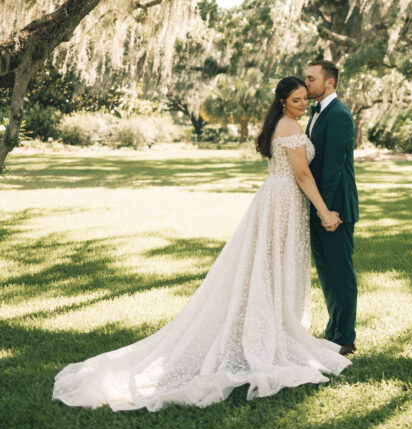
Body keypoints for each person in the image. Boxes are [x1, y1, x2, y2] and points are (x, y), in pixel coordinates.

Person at [52, 76, 351, 411]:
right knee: (269, 267)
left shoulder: (281, 124)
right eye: (296, 100)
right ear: (283, 101)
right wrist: (325, 211)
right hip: (283, 202)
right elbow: (303, 175)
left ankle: (271, 326)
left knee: (267, 266)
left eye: (304, 100)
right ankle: (264, 334)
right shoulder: (290, 128)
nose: (302, 104)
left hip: (277, 199)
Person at [304, 61, 359, 356]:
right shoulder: (317, 113)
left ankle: (345, 337)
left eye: (311, 78)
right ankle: (333, 332)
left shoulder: (339, 115)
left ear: (330, 82)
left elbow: (334, 168)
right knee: (327, 273)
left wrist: (324, 209)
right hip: (320, 207)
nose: (306, 83)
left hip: (335, 207)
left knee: (341, 273)